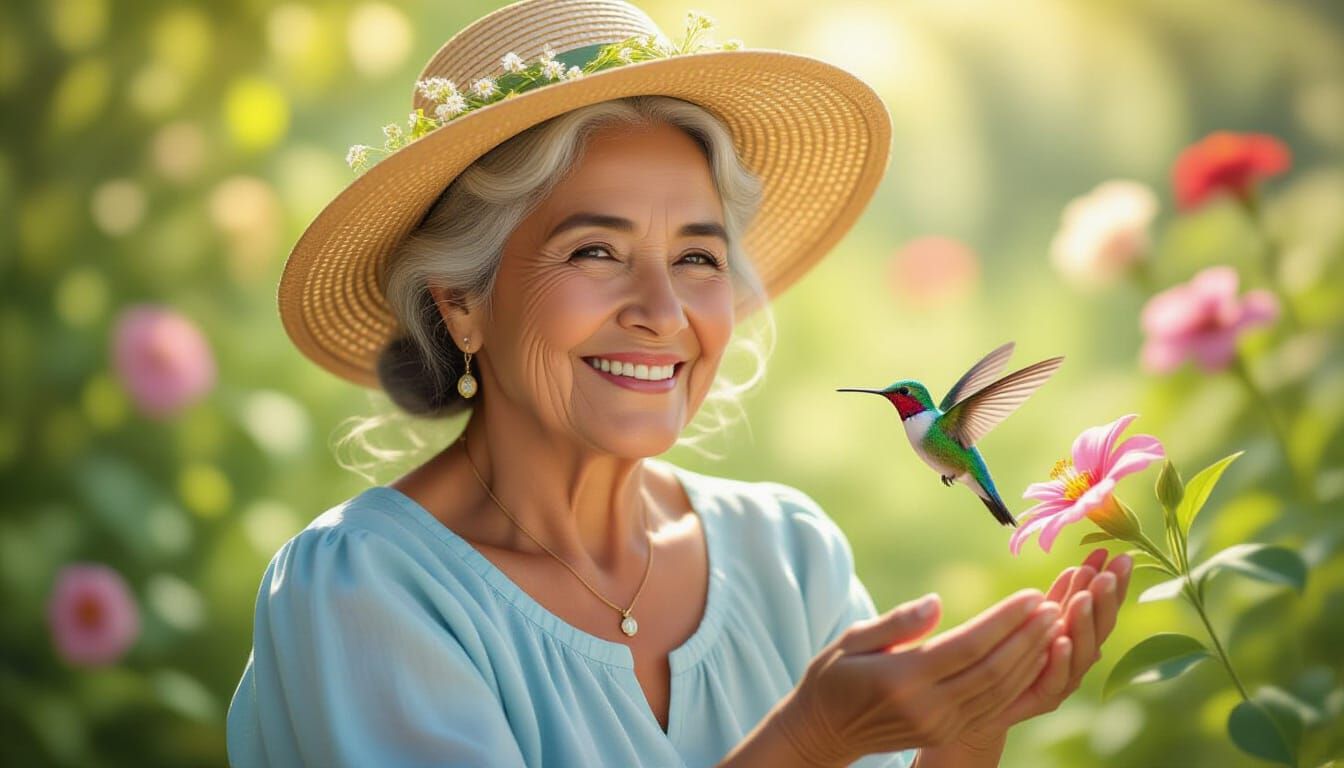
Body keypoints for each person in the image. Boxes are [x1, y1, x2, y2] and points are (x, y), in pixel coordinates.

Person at [226, 0, 1134, 765]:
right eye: (596, 250)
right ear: (462, 303)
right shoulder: (364, 591)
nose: (663, 310)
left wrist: (968, 731)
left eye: (697, 255)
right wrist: (809, 740)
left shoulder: (789, 557)